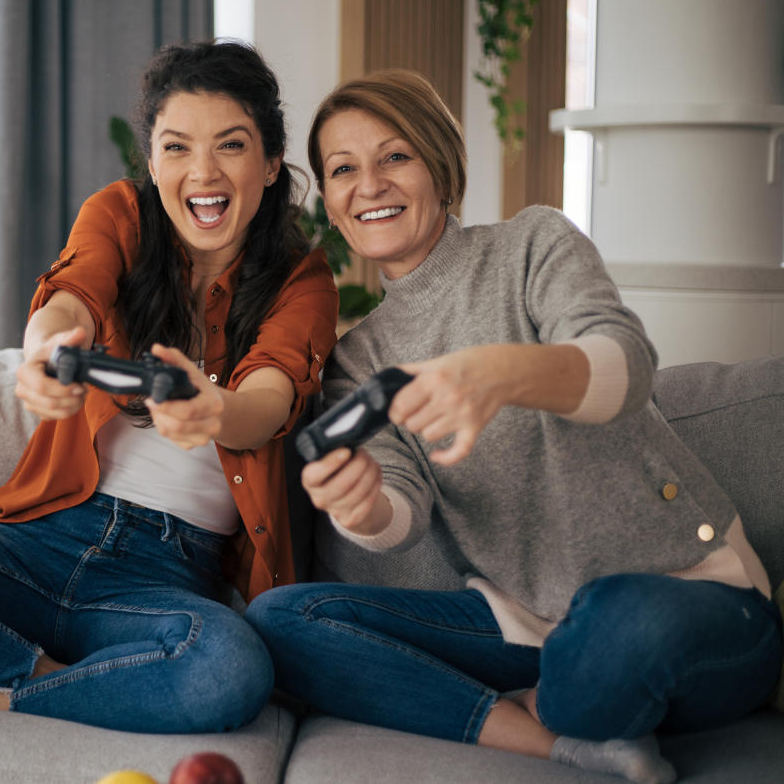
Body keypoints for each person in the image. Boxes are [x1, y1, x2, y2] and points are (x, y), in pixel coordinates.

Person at [0, 40, 338, 734]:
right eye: (176, 147)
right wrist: (45, 351)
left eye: (231, 145)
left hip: (160, 578)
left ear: (271, 161)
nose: (203, 172)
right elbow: (72, 296)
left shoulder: (301, 279)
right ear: (153, 160)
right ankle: (43, 675)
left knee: (230, 669)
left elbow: (268, 402)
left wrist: (214, 408)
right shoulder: (123, 217)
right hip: (37, 543)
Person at [244, 69, 782, 782]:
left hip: (690, 597)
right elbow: (399, 511)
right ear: (334, 207)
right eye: (344, 169)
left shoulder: (531, 245)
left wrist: (496, 374)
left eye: (395, 156)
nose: (368, 184)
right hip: (525, 627)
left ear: (440, 165)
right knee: (283, 621)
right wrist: (361, 501)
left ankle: (545, 697)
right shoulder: (361, 358)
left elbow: (622, 363)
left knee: (621, 621)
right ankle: (553, 737)